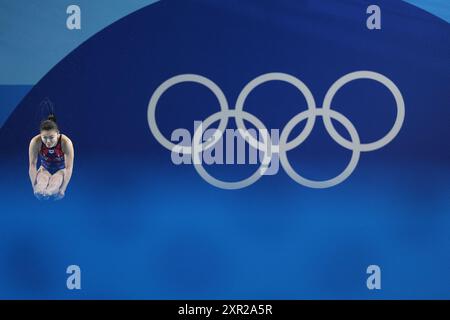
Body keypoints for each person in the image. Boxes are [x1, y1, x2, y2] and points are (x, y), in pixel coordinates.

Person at [28, 114, 74, 200]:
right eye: (44, 137)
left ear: (57, 134)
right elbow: (32, 165)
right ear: (40, 135)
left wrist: (63, 189)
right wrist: (34, 187)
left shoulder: (66, 142)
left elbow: (69, 168)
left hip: (60, 170)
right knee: (40, 188)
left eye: (51, 137)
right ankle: (42, 191)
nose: (48, 141)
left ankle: (50, 191)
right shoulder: (35, 142)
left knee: (52, 188)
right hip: (44, 169)